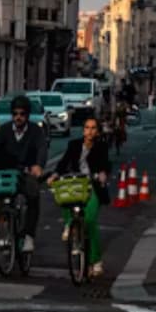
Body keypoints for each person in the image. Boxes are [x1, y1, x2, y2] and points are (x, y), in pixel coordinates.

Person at [0, 95, 48, 277]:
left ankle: (29, 235)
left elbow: (41, 149)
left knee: (33, 193)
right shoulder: (4, 130)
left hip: (26, 172)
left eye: (22, 114)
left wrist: (38, 166)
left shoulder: (35, 132)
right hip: (7, 174)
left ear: (27, 115)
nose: (18, 117)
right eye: (15, 113)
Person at [50, 115, 110, 277]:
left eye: (93, 128)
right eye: (87, 128)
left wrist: (102, 174)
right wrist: (55, 175)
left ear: (97, 132)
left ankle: (95, 260)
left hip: (93, 186)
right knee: (65, 198)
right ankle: (70, 225)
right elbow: (63, 163)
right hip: (76, 184)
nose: (89, 132)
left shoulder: (101, 146)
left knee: (90, 221)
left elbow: (105, 164)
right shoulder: (74, 145)